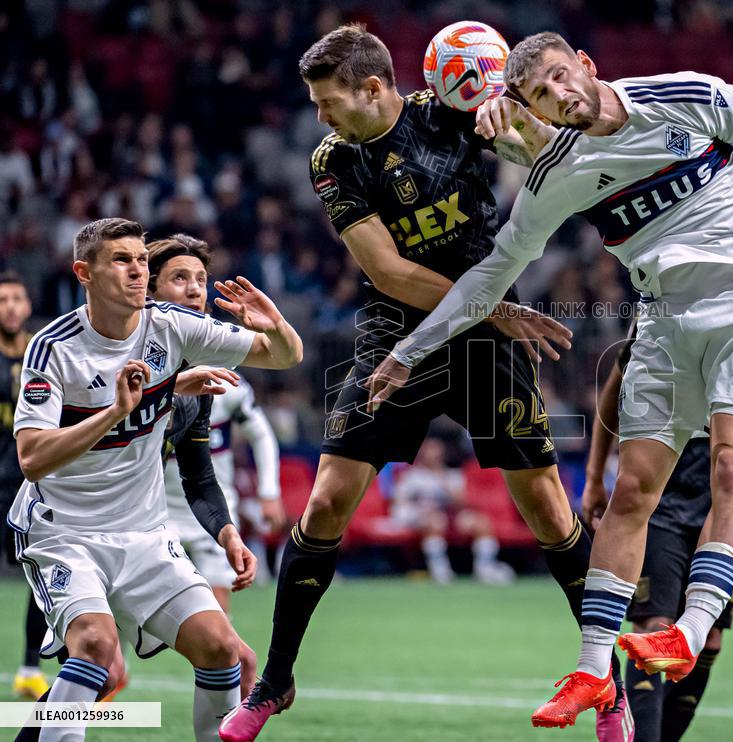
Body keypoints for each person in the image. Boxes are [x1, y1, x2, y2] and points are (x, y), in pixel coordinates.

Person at [364, 31, 733, 729]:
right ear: (531, 108)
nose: (560, 96)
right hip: (662, 318)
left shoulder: (687, 96)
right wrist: (412, 349)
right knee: (631, 492)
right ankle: (591, 671)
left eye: (562, 76)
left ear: (585, 64)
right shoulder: (556, 173)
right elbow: (490, 276)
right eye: (540, 94)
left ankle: (689, 631)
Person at [220, 26, 631, 742]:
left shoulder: (448, 112)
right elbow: (387, 271)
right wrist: (496, 308)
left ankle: (607, 684)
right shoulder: (334, 159)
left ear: (373, 88)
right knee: (327, 500)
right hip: (402, 329)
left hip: (487, 337)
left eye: (327, 101)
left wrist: (514, 119)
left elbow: (544, 154)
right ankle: (275, 681)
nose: (320, 116)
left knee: (545, 506)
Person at [10, 217, 301, 741]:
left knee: (222, 648)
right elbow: (31, 459)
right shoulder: (53, 348)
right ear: (85, 273)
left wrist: (274, 324)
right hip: (65, 530)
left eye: (142, 260)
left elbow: (283, 356)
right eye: (121, 260)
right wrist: (115, 412)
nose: (137, 271)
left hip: (145, 532)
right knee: (98, 652)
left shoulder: (171, 327)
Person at [582, 318, 733, 741]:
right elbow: (614, 387)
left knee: (709, 639)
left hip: (724, 501)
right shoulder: (666, 307)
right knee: (654, 627)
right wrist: (594, 477)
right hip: (662, 495)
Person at [149, 234, 285, 612]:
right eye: (180, 278)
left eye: (201, 280)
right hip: (149, 513)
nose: (194, 290)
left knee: (218, 627)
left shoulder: (223, 378)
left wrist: (269, 490)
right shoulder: (134, 364)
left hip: (209, 511)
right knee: (125, 632)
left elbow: (261, 432)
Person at [0, 272, 49, 700]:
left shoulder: (43, 353)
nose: (11, 307)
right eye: (3, 300)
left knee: (42, 576)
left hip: (33, 485)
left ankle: (30, 669)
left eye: (17, 298)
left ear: (29, 305)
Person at [391, 437, 514, 584]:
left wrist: (442, 479)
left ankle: (485, 568)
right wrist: (422, 510)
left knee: (481, 523)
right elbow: (399, 502)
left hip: (449, 514)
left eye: (436, 452)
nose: (433, 455)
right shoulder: (412, 476)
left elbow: (462, 502)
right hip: (419, 515)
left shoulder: (453, 474)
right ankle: (440, 571)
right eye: (429, 451)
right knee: (435, 522)